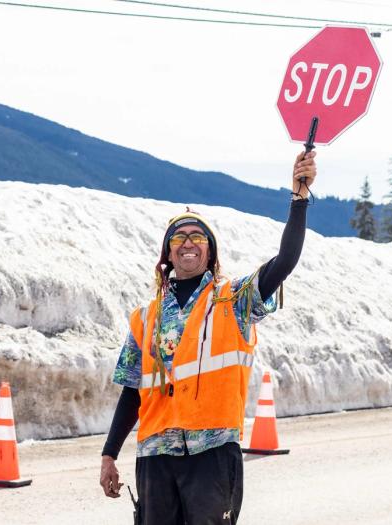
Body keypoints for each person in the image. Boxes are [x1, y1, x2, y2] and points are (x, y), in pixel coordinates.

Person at [100, 151, 317, 524]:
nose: (188, 242)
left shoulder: (233, 299)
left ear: (209, 250)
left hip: (212, 451)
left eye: (198, 236)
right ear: (168, 252)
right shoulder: (145, 317)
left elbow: (285, 261)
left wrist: (298, 198)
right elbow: (132, 391)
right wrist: (109, 455)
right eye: (179, 237)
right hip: (155, 456)